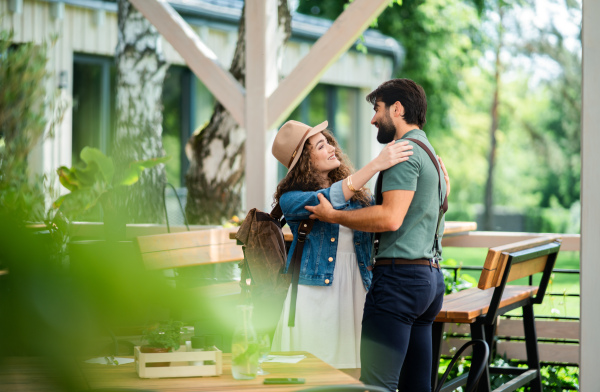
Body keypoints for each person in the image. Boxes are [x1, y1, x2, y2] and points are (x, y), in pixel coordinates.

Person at [305, 78, 448, 392]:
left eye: (377, 109)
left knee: (376, 386)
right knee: (416, 387)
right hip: (430, 282)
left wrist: (333, 216)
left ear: (397, 109)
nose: (372, 118)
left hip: (399, 283)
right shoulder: (429, 154)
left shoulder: (401, 153)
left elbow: (390, 217)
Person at [269, 119, 414, 371]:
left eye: (329, 143)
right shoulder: (292, 199)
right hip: (312, 294)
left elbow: (388, 216)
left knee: (355, 372)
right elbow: (330, 198)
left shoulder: (359, 197)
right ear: (305, 160)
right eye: (321, 146)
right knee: (311, 373)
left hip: (356, 286)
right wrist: (376, 164)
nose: (332, 148)